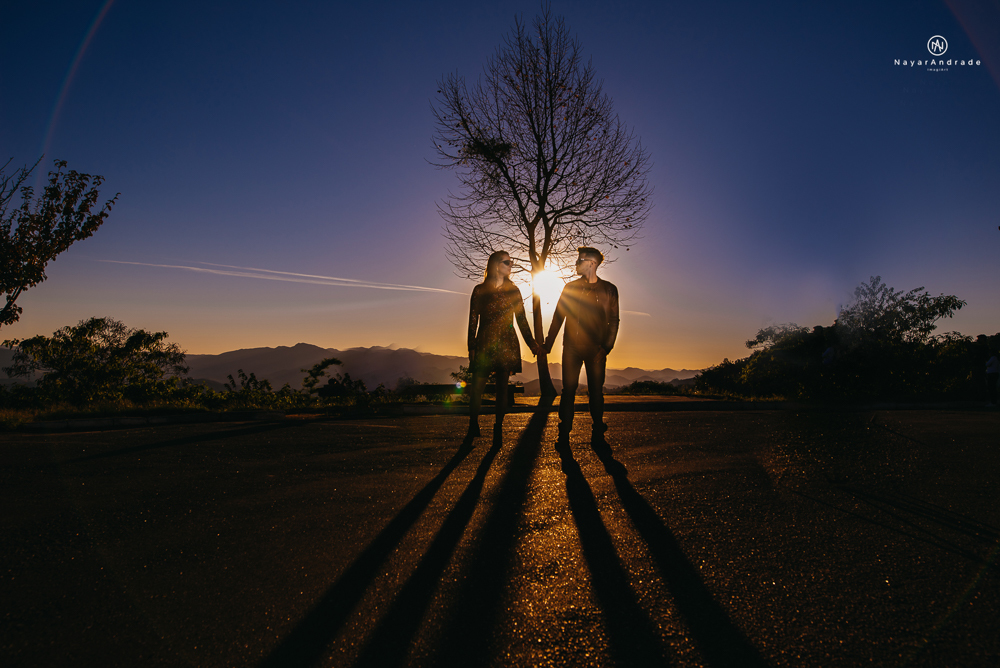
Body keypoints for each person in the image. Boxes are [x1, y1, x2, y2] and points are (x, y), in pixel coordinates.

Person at [544, 247, 620, 440]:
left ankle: (597, 429)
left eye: (580, 260)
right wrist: (548, 344)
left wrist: (606, 348)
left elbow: (614, 321)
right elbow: (558, 317)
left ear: (592, 263)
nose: (576, 263)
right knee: (568, 389)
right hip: (571, 347)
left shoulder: (610, 289)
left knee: (596, 390)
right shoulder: (570, 287)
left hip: (597, 349)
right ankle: (564, 431)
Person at [467, 251, 539, 440]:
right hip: (484, 342)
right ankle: (473, 424)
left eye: (511, 262)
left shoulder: (514, 291)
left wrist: (532, 344)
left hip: (507, 343)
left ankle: (498, 427)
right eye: (507, 262)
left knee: (502, 390)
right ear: (496, 265)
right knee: (477, 388)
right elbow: (473, 320)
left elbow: (522, 320)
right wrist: (471, 347)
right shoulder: (480, 290)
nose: (511, 265)